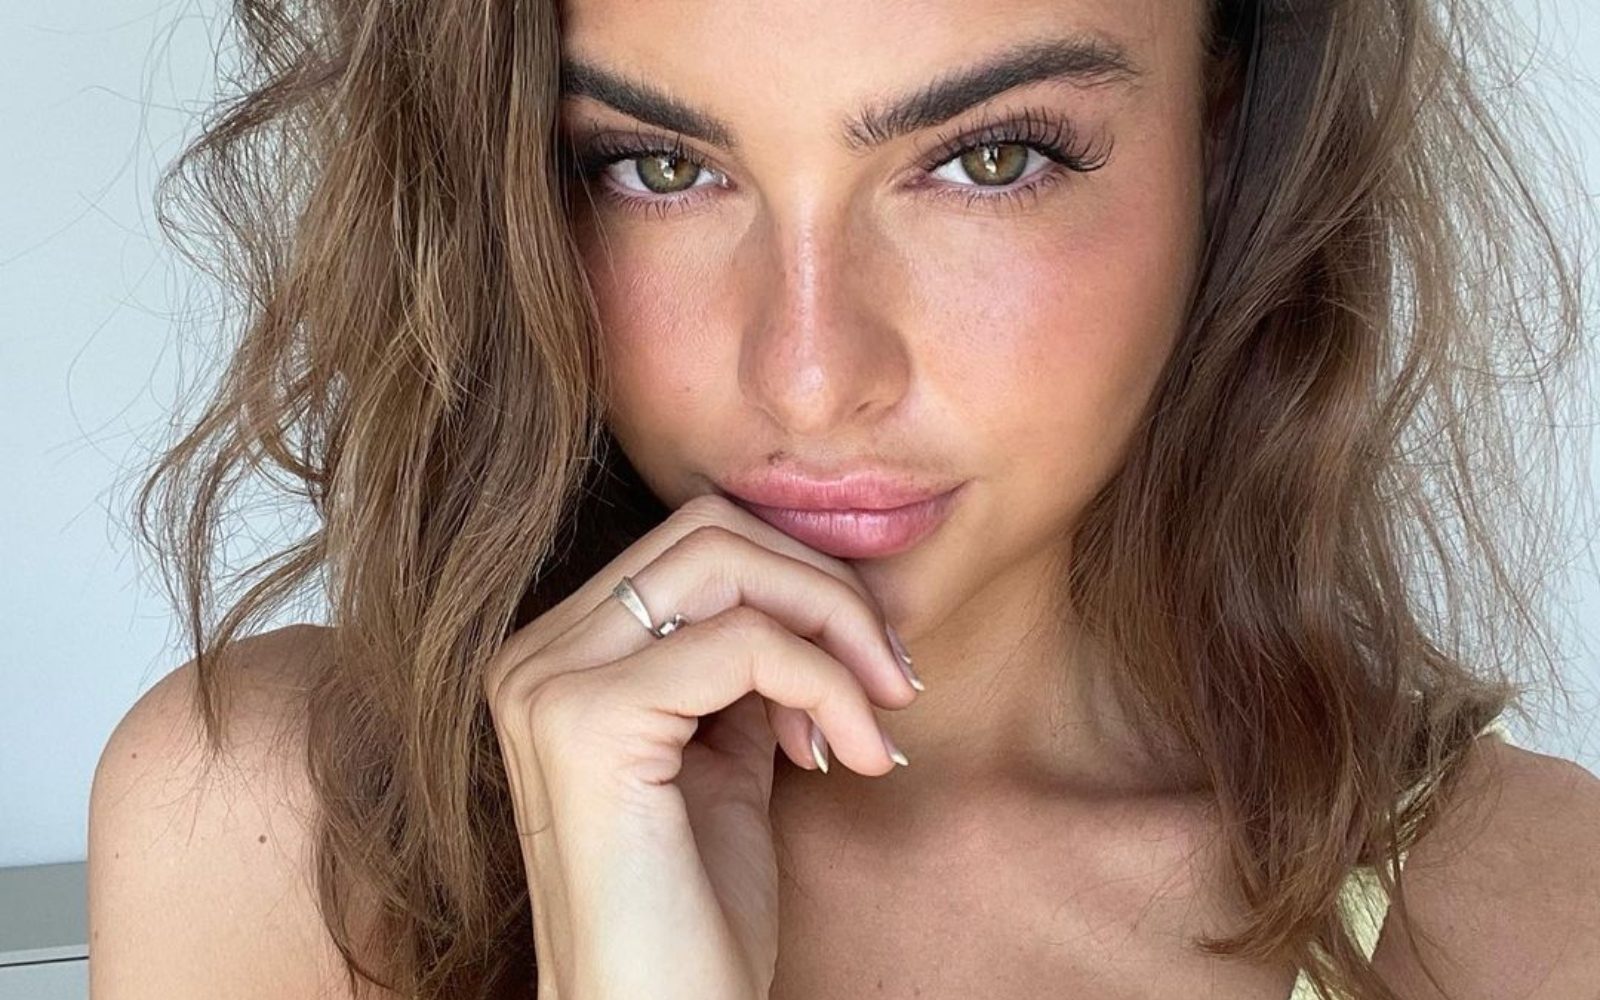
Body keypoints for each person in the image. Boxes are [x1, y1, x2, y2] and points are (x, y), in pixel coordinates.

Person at [85, 0, 1600, 997]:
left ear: (1227, 134)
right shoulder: (281, 832)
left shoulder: (1534, 918)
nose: (809, 378)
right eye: (655, 168)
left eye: (990, 158)